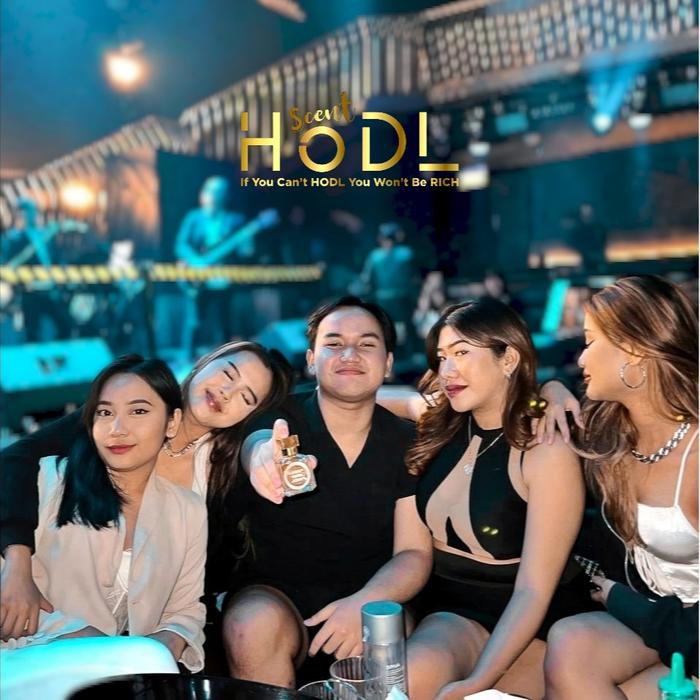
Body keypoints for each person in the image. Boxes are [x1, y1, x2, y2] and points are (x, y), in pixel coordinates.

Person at [0, 341, 293, 642]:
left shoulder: (220, 478)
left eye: (246, 397)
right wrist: (17, 563)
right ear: (203, 363)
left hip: (139, 636)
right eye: (227, 374)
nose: (226, 392)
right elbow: (16, 460)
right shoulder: (119, 419)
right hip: (49, 617)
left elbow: (195, 591)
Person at [221, 296, 433, 688]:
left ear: (388, 363)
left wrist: (365, 602)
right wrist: (261, 457)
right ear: (310, 359)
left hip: (374, 592)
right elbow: (259, 443)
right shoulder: (278, 416)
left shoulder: (408, 442)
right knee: (250, 625)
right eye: (334, 344)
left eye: (366, 344)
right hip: (278, 595)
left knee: (382, 632)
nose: (349, 354)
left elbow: (413, 553)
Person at [402, 298, 591, 700]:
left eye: (462, 353)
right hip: (449, 614)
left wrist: (478, 681)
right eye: (442, 357)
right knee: (407, 679)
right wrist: (272, 428)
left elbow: (533, 591)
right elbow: (372, 396)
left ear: (508, 359)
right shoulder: (440, 420)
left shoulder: (545, 447)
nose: (446, 371)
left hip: (534, 625)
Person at [544, 275, 698, 698]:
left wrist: (620, 601)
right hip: (661, 618)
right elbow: (514, 407)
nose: (580, 357)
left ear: (634, 349)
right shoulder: (609, 437)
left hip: (688, 634)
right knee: (570, 644)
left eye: (590, 341)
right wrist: (550, 390)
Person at [0, 355, 206, 670]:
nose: (117, 429)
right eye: (105, 412)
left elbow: (185, 611)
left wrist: (161, 646)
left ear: (172, 422)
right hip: (24, 664)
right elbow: (9, 595)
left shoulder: (187, 510)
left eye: (138, 411)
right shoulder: (46, 479)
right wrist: (109, 649)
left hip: (120, 674)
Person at [174, 176, 279, 352]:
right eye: (208, 190)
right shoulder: (194, 217)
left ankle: (224, 358)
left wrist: (248, 241)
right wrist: (196, 262)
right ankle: (187, 358)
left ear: (224, 195)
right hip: (196, 278)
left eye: (216, 191)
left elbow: (245, 253)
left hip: (222, 278)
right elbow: (180, 245)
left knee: (224, 322)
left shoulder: (234, 220)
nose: (210, 195)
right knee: (194, 322)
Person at [359, 222, 420, 358]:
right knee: (408, 325)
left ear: (381, 238)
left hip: (383, 299)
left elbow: (367, 280)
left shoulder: (374, 256)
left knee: (386, 327)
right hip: (403, 297)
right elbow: (414, 277)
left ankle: (389, 354)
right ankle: (411, 353)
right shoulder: (406, 253)